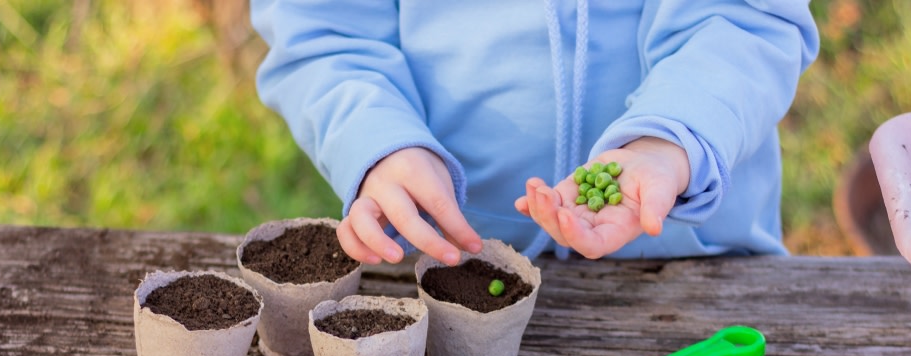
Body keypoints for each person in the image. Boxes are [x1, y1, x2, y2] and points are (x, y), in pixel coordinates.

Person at [250, 2, 819, 266]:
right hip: (448, 260)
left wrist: (669, 141)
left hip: (690, 253)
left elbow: (742, 20)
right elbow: (326, 36)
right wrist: (380, 141)